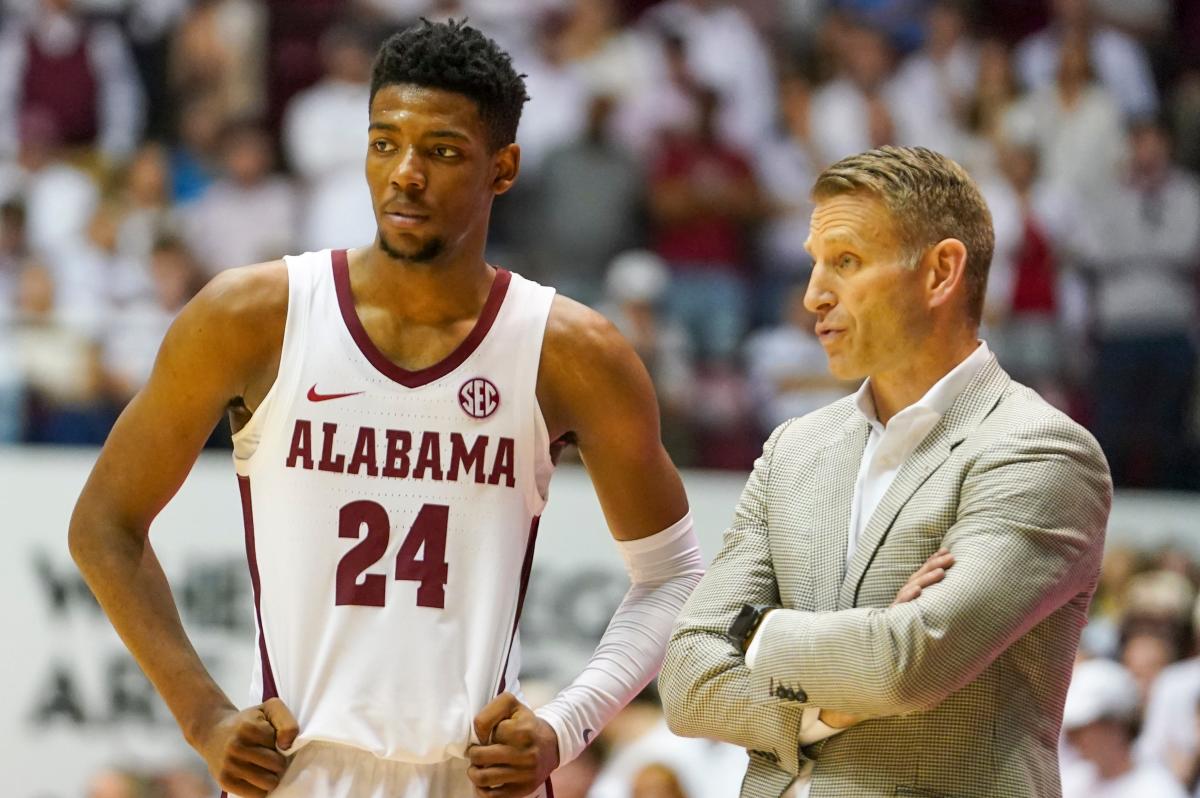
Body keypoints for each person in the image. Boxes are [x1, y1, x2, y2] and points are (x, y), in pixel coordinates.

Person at [69, 19, 703, 798]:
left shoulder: (571, 351)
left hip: (476, 778)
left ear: (502, 167)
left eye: (441, 151)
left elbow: (674, 576)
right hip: (295, 770)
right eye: (384, 143)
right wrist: (201, 716)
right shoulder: (252, 315)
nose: (405, 173)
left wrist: (564, 726)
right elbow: (103, 526)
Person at [659, 145, 1112, 798]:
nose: (814, 294)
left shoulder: (1041, 452)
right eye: (816, 264)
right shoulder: (793, 448)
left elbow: (907, 664)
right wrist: (837, 701)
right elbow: (686, 683)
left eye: (845, 262)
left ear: (939, 273)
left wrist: (754, 637)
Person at [1060, 659, 1187, 798]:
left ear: (1115, 725)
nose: (1073, 738)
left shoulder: (1158, 791)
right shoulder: (1074, 782)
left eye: (1083, 728)